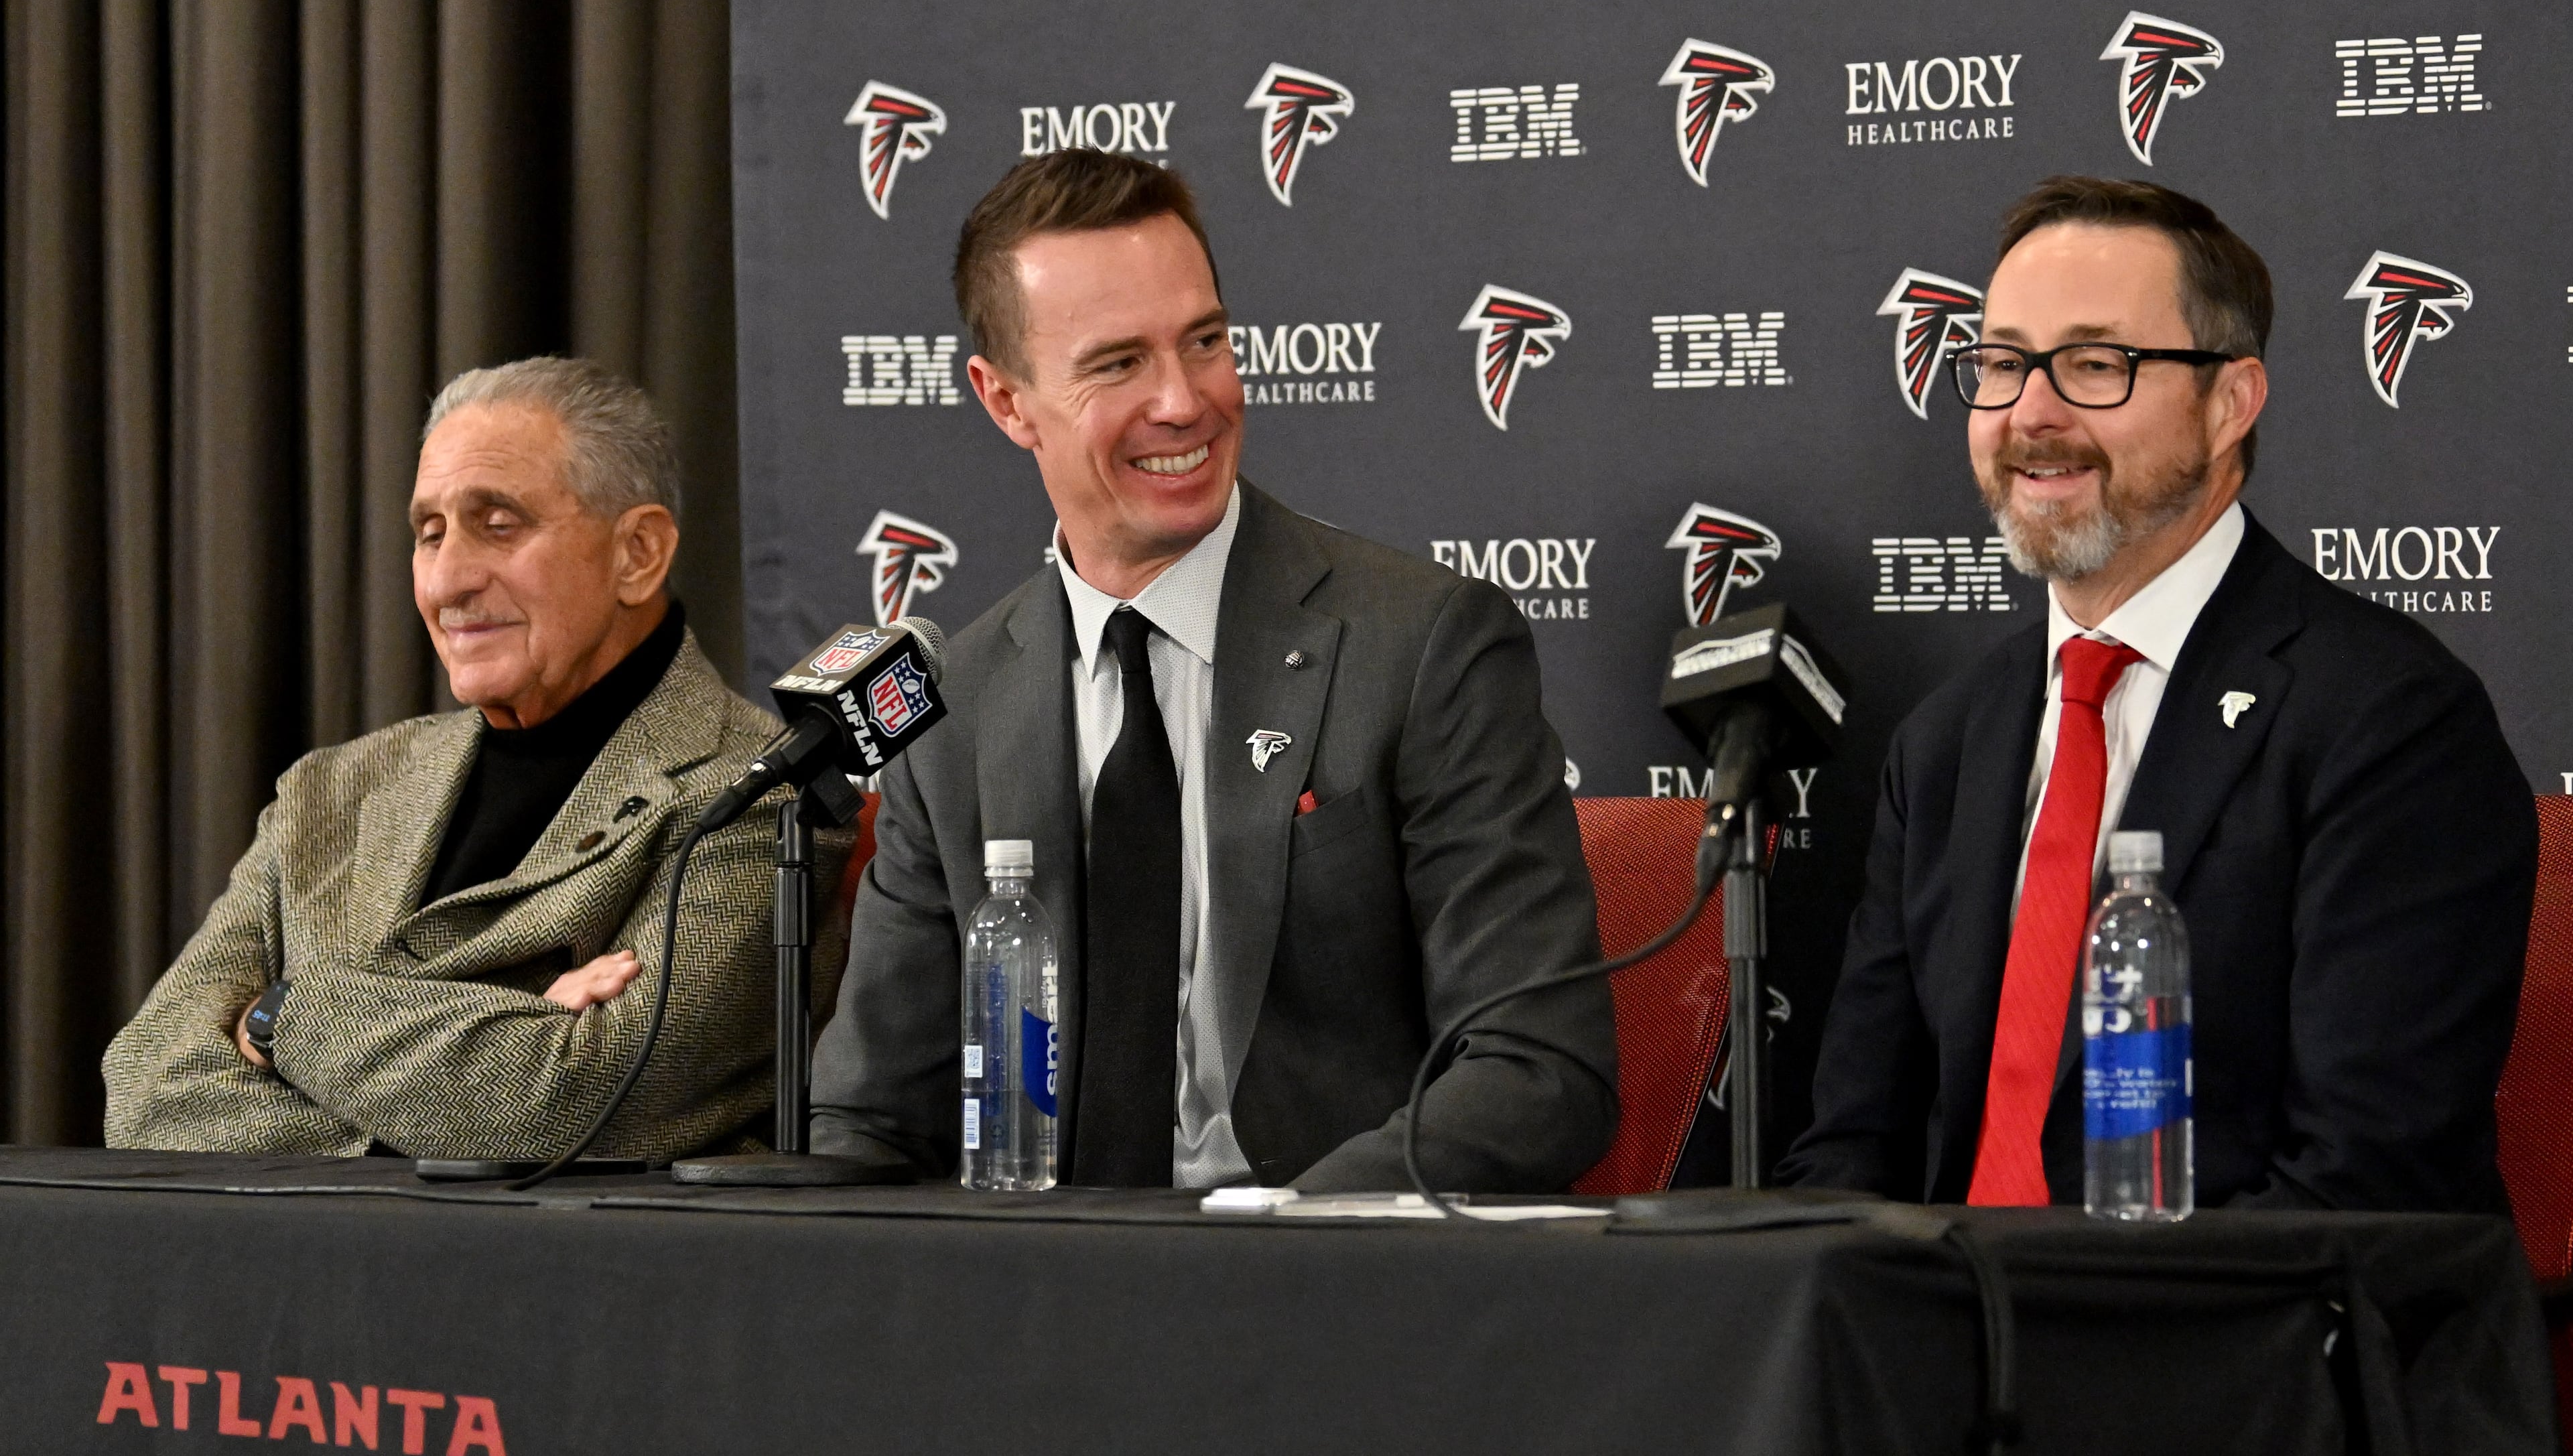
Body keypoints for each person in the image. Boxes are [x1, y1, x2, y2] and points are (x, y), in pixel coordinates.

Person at [809, 150, 1615, 1191]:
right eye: (1118, 364)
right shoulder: (953, 711)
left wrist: (1280, 1240)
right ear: (1008, 402)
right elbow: (873, 1119)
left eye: (1205, 342)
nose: (1185, 400)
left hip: (1324, 1282)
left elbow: (1538, 1068)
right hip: (1037, 1299)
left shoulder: (1422, 645)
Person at [1778, 177, 2536, 1212]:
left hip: (2232, 1345)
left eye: (2096, 364)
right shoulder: (1948, 743)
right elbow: (1851, 1150)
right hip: (1940, 1342)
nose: (2030, 413)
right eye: (2001, 363)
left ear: (2230, 402)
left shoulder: (2388, 718)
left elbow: (2366, 1181)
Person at [105, 358, 786, 1160]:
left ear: (637, 552)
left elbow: (574, 1107)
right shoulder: (333, 790)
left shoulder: (757, 794)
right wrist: (476, 1075)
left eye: (499, 524)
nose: (450, 580)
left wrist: (277, 1017)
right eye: (430, 533)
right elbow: (146, 1090)